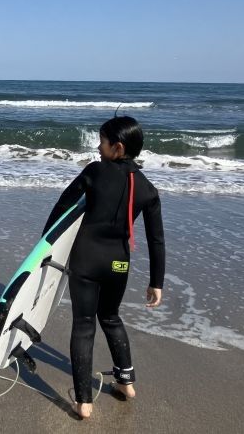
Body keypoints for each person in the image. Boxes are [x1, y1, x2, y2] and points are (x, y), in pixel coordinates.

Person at [43, 116, 165, 419]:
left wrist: (44, 245)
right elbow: (156, 240)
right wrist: (156, 283)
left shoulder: (94, 171)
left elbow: (63, 206)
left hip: (86, 260)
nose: (98, 147)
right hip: (119, 264)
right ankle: (126, 383)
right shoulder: (148, 188)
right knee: (110, 317)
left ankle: (84, 402)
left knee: (84, 325)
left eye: (102, 141)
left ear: (117, 147)